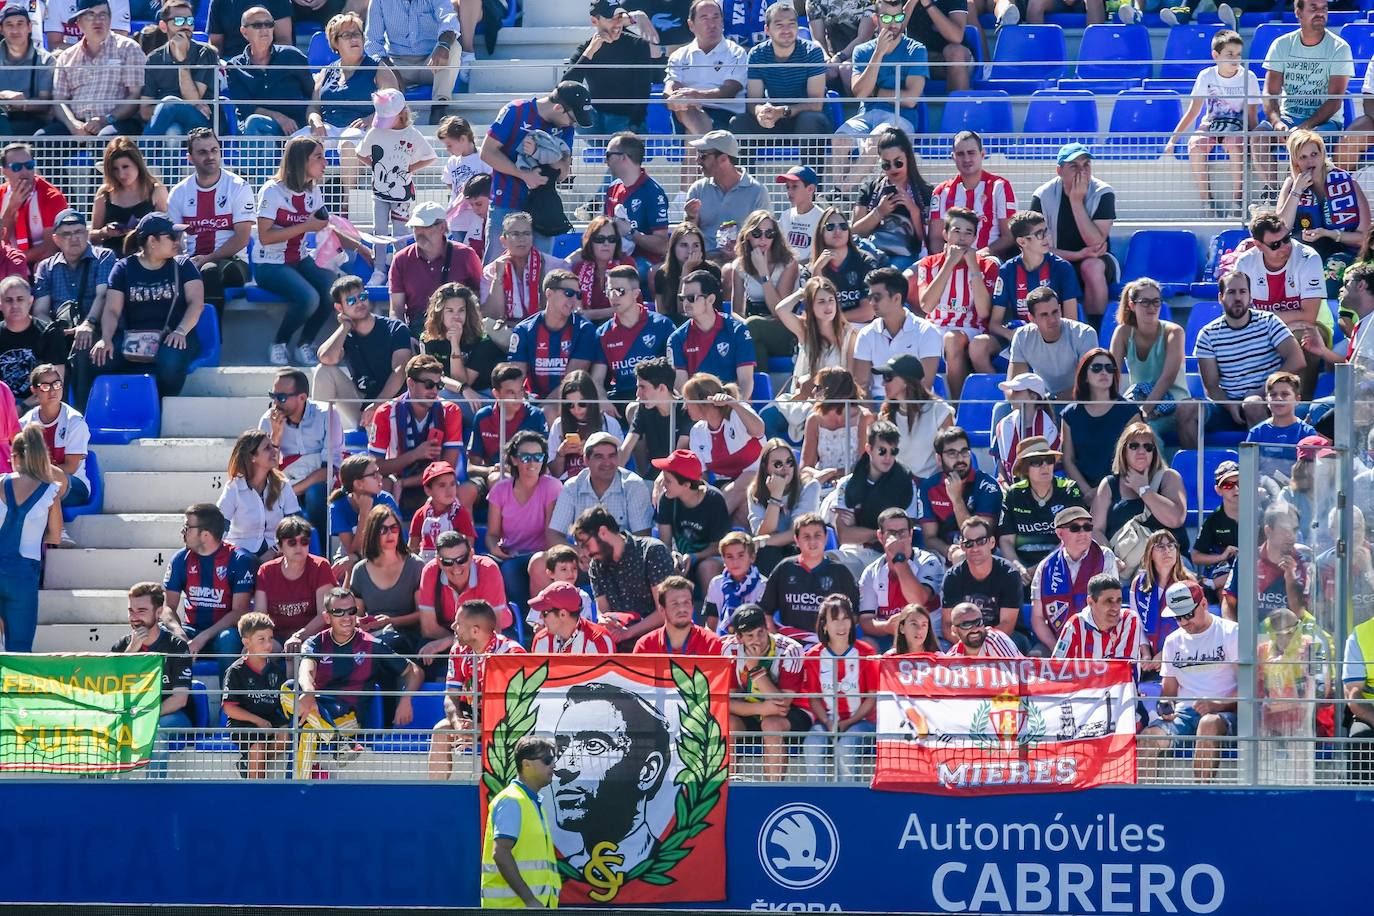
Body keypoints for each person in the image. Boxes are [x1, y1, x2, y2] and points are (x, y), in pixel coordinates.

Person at [287, 587, 422, 778]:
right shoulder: (316, 642)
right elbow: (305, 669)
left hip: (350, 717)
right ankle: (337, 742)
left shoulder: (372, 644)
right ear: (327, 617)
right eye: (338, 612)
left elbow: (415, 671)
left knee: (308, 730)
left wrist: (406, 699)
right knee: (288, 688)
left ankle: (299, 792)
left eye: (351, 611)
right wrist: (308, 691)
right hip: (317, 707)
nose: (346, 617)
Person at [550, 680, 672, 874]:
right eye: (561, 748)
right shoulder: (556, 870)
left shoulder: (673, 863)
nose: (560, 766)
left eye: (593, 746)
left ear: (647, 771)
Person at [81, 212, 203, 399]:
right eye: (172, 237)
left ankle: (161, 404)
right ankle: (95, 412)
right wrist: (105, 339)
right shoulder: (123, 268)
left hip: (175, 335)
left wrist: (181, 331)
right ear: (152, 241)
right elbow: (112, 310)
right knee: (96, 357)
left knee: (171, 357)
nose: (177, 242)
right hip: (135, 340)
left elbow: (196, 303)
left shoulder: (183, 265)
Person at [253, 137, 345, 368]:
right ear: (301, 161)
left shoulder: (314, 191)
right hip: (269, 264)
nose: (325, 162)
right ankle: (279, 343)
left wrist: (363, 248)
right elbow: (264, 237)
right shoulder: (272, 191)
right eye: (318, 157)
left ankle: (305, 343)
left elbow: (327, 226)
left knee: (331, 289)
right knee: (309, 297)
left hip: (300, 258)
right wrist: (306, 226)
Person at [1189, 270, 1306, 448]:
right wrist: (1230, 406)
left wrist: (1260, 392)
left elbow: (1297, 360)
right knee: (1186, 410)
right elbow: (1211, 386)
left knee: (1252, 404)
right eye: (1231, 292)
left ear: (1250, 296)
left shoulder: (1268, 322)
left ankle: (1262, 468)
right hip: (1227, 406)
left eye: (1243, 292)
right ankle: (1194, 470)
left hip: (1267, 401)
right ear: (1221, 297)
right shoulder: (1208, 334)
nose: (1238, 297)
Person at [1139, 580, 1239, 783]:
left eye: (1188, 615)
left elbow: (1249, 687)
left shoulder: (1231, 632)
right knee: (1147, 738)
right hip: (1184, 714)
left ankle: (1200, 801)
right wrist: (1165, 709)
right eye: (1177, 617)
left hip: (1226, 712)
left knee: (1208, 723)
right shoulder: (1173, 641)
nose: (1184, 622)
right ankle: (1148, 807)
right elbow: (1168, 694)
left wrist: (1216, 705)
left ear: (1203, 604)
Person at [479, 83, 582, 264]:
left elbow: (563, 172)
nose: (572, 124)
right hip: (506, 202)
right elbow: (487, 152)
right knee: (495, 268)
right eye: (572, 119)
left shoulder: (566, 128)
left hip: (542, 207)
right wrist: (524, 175)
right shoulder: (516, 111)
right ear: (558, 108)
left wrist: (539, 153)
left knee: (542, 267)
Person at [1232, 211, 1327, 398]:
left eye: (1287, 239)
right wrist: (1277, 325)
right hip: (1269, 327)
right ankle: (1250, 407)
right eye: (1276, 244)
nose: (1285, 247)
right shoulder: (1245, 263)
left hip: (1311, 326)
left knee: (1304, 339)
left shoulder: (1309, 258)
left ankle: (1299, 409)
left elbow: (1308, 315)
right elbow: (1241, 316)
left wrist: (1264, 322)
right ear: (1259, 245)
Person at [1167, 29, 1259, 219]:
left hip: (1236, 127)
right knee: (1195, 144)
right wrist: (1173, 141)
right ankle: (1207, 203)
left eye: (1239, 54)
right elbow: (1193, 112)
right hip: (1212, 125)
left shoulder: (1248, 77)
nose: (1235, 59)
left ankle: (1237, 202)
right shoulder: (1206, 76)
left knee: (1235, 144)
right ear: (1215, 55)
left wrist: (1254, 143)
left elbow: (1251, 118)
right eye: (1229, 54)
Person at [1260, 0, 1352, 186]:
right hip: (1288, 118)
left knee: (1305, 143)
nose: (1320, 13)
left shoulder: (1340, 48)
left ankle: (1296, 193)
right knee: (1258, 136)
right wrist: (1277, 122)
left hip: (1326, 123)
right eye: (1313, 8)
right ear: (1298, 12)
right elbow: (1270, 92)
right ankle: (1273, 194)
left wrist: (1304, 128)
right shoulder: (1281, 45)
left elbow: (1335, 100)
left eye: (1324, 8)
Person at [731, 0, 831, 171]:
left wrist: (783, 111)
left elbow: (816, 103)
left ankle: (812, 189)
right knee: (739, 123)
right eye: (779, 25)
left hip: (803, 117)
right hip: (773, 121)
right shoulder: (757, 54)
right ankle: (744, 188)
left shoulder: (812, 52)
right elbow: (753, 101)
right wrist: (760, 113)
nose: (786, 30)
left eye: (791, 24)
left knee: (810, 120)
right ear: (767, 30)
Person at [912, 205, 998, 398]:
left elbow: (984, 312)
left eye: (968, 233)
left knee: (952, 339)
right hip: (933, 327)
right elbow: (927, 305)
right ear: (945, 233)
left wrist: (973, 266)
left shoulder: (987, 265)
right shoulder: (928, 263)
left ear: (975, 238)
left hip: (970, 329)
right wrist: (949, 263)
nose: (962, 238)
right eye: (956, 231)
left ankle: (958, 407)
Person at [165, 130, 254, 314]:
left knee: (209, 271)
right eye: (202, 152)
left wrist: (207, 258)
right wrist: (183, 262)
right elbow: (173, 240)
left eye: (214, 150)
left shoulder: (238, 186)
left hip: (235, 263)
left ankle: (212, 341)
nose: (211, 156)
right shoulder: (179, 193)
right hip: (193, 262)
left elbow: (242, 238)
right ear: (190, 157)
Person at [1029, 143, 1117, 323]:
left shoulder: (1103, 192)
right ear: (1059, 170)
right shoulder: (1042, 196)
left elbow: (1096, 243)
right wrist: (1076, 255)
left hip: (1098, 258)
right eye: (1074, 166)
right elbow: (1035, 247)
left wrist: (1076, 202)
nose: (1082, 171)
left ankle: (1096, 330)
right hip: (1055, 257)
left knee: (1090, 267)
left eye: (1086, 165)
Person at [358, 90, 438, 287]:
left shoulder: (412, 134)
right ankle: (379, 269)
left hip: (402, 194)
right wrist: (377, 166)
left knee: (400, 232)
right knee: (380, 230)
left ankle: (400, 269)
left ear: (402, 114)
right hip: (379, 192)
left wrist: (410, 168)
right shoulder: (375, 132)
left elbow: (430, 156)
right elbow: (360, 152)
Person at [764, 277, 860, 443]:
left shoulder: (850, 335)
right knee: (767, 417)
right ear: (811, 306)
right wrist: (802, 293)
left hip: (833, 400)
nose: (828, 306)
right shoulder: (805, 330)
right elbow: (781, 309)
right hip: (803, 398)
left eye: (831, 300)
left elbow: (851, 376)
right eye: (821, 301)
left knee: (814, 421)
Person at [368, 353, 464, 517]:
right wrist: (415, 455)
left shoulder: (450, 411)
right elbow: (375, 467)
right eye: (428, 384)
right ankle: (383, 538)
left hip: (434, 480)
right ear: (411, 384)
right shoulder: (385, 412)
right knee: (380, 486)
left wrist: (405, 483)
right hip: (393, 478)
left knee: (446, 487)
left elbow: (448, 469)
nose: (434, 390)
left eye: (438, 385)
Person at [722, 602, 809, 781]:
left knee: (771, 725)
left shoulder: (791, 650)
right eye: (750, 635)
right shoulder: (728, 650)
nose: (758, 640)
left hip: (791, 712)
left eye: (761, 632)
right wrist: (761, 709)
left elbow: (782, 705)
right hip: (754, 709)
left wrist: (756, 671)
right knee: (725, 722)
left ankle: (772, 791)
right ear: (738, 638)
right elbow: (728, 702)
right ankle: (728, 787)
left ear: (767, 627)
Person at [315, 274, 414, 429]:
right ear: (339, 308)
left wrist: (377, 405)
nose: (359, 303)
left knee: (375, 426)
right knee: (323, 371)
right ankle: (319, 436)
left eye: (362, 296)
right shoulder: (344, 335)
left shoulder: (395, 328)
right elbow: (326, 358)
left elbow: (400, 371)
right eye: (351, 301)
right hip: (362, 403)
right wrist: (345, 327)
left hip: (394, 403)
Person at [163, 502, 255, 666]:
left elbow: (239, 611)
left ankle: (228, 691)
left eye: (187, 527)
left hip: (222, 632)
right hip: (190, 630)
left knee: (229, 638)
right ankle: (175, 691)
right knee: (161, 632)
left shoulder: (239, 560)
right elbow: (168, 608)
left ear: (205, 535)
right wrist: (180, 635)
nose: (182, 531)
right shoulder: (180, 559)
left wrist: (203, 637)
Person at [1092, 422, 1191, 572]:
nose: (1141, 451)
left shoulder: (1169, 477)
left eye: (1148, 447)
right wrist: (1111, 559)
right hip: (1123, 567)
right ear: (1123, 450)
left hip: (1169, 563)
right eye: (1134, 446)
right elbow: (1095, 530)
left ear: (1154, 452)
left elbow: (1175, 519)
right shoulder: (1109, 484)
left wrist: (1143, 490)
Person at [573, 505, 674, 647]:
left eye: (586, 544)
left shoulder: (652, 552)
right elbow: (603, 609)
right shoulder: (597, 565)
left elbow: (665, 610)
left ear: (602, 532)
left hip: (657, 643)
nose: (586, 553)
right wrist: (604, 620)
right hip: (618, 642)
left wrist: (628, 632)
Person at [987, 210, 1081, 361]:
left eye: (1046, 231)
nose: (1046, 238)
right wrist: (1011, 334)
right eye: (1039, 234)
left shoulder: (1062, 268)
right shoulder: (1007, 271)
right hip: (1021, 337)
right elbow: (994, 324)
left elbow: (1072, 322)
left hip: (1054, 336)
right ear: (1022, 242)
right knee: (978, 347)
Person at [480, 733, 561, 908]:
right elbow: (500, 854)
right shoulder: (512, 801)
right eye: (547, 760)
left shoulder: (531, 802)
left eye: (553, 760)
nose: (553, 765)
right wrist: (530, 899)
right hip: (514, 908)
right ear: (526, 764)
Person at [259, 368, 342, 537]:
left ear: (302, 398)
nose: (275, 403)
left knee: (315, 494)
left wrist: (291, 491)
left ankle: (323, 556)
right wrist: (276, 436)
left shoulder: (326, 414)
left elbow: (330, 469)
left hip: (319, 483)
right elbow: (265, 468)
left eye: (281, 398)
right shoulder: (268, 420)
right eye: (272, 396)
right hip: (286, 480)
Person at [802, 593, 877, 778]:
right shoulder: (812, 656)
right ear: (824, 625)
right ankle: (818, 802)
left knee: (846, 748)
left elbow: (871, 697)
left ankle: (848, 803)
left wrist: (848, 723)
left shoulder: (866, 653)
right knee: (811, 746)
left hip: (862, 721)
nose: (841, 625)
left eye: (845, 619)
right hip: (826, 720)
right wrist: (828, 723)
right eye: (834, 620)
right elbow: (813, 698)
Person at [0, 426, 61, 650]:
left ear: (14, 456)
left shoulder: (0, 482)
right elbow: (55, 534)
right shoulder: (50, 490)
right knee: (20, 647)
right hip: (23, 575)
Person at [1108, 277, 1191, 443]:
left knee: (1145, 437)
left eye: (1156, 301)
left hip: (1174, 406)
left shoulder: (1174, 332)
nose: (1152, 307)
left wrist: (1143, 412)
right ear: (1132, 305)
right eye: (1145, 302)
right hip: (1140, 402)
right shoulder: (1123, 332)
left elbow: (1167, 378)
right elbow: (1112, 375)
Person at [487, 431, 562, 611]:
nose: (532, 462)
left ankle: (531, 622)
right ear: (514, 460)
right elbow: (492, 534)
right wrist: (494, 548)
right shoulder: (500, 490)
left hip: (544, 555)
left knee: (513, 570)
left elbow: (551, 534)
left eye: (538, 457)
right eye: (525, 457)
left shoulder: (552, 486)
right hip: (510, 554)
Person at [507, 269, 602, 411]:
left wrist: (539, 411)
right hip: (532, 400)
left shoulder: (585, 330)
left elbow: (570, 381)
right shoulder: (524, 330)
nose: (574, 300)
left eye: (578, 295)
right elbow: (516, 379)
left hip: (570, 402)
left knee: (549, 411)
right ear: (549, 294)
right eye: (569, 293)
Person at [1030, 505, 1116, 657]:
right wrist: (1058, 648)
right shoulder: (1045, 567)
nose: (1083, 533)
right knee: (1033, 659)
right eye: (1075, 528)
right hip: (1057, 641)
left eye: (1087, 527)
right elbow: (1037, 618)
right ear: (1059, 533)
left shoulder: (1105, 556)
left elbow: (1112, 605)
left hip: (1099, 639)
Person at [761, 511, 859, 644]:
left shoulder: (840, 572)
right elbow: (766, 611)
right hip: (789, 643)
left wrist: (836, 641)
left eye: (817, 536)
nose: (812, 541)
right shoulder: (784, 569)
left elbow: (854, 615)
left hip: (827, 645)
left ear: (825, 538)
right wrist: (775, 640)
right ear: (796, 540)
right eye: (806, 536)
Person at [49, 0, 143, 138]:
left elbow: (135, 96)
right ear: (79, 23)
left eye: (103, 15)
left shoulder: (129, 49)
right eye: (90, 15)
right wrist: (73, 125)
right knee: (41, 139)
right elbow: (59, 100)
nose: (97, 20)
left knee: (105, 138)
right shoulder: (66, 57)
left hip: (117, 122)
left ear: (110, 20)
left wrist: (106, 119)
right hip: (77, 124)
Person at [566, 1, 662, 135]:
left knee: (616, 135)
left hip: (627, 120)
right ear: (594, 21)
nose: (617, 23)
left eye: (619, 17)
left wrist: (634, 125)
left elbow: (643, 91)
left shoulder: (638, 44)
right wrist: (591, 51)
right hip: (595, 118)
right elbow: (565, 87)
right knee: (567, 107)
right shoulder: (586, 48)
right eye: (611, 18)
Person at [387, 202, 482, 336]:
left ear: (442, 227)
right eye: (416, 227)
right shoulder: (401, 260)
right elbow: (396, 309)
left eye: (425, 226)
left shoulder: (466, 255)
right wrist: (404, 339)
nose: (419, 232)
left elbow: (480, 297)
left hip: (460, 330)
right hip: (419, 331)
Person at [838, 0, 927, 141]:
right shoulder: (862, 51)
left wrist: (876, 92)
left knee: (877, 138)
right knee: (839, 139)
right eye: (886, 18)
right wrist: (878, 53)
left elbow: (910, 100)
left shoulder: (916, 50)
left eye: (898, 17)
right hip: (865, 116)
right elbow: (861, 94)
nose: (893, 24)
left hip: (900, 117)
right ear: (876, 19)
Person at [998, 435, 1085, 579]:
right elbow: (1006, 541)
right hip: (1023, 566)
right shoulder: (1014, 494)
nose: (1045, 466)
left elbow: (1074, 536)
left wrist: (1042, 567)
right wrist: (1017, 568)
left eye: (1049, 461)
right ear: (1025, 469)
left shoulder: (1069, 489)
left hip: (1063, 562)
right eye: (1037, 462)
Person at [415, 531, 508, 664]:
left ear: (471, 555)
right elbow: (428, 628)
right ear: (439, 562)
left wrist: (448, 643)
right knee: (422, 655)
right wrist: (455, 643)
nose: (456, 568)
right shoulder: (430, 571)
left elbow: (493, 630)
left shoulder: (488, 569)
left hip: (494, 635)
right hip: (448, 633)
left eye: (461, 560)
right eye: (447, 562)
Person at [857, 507, 943, 651]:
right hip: (888, 638)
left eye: (902, 532)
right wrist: (886, 627)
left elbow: (917, 600)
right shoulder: (871, 572)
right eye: (891, 533)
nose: (897, 538)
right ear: (880, 536)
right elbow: (866, 620)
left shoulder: (928, 562)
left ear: (910, 534)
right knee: (865, 646)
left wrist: (898, 558)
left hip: (927, 638)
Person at [363, 0, 460, 124]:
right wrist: (392, 71)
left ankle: (439, 108)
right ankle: (390, 117)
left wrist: (443, 45)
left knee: (454, 46)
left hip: (432, 63)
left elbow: (450, 19)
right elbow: (372, 42)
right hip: (397, 64)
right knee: (379, 65)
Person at [548, 432, 654, 545]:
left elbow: (642, 538)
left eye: (612, 456)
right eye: (599, 457)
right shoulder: (572, 487)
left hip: (624, 558)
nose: (607, 462)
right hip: (583, 557)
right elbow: (555, 535)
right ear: (586, 460)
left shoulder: (633, 485)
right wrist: (580, 553)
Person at [724, 209, 799, 369]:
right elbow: (736, 312)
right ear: (748, 235)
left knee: (753, 327)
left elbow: (778, 312)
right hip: (755, 329)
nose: (763, 239)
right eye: (757, 233)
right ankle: (761, 392)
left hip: (786, 329)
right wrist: (747, 329)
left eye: (769, 233)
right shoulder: (739, 265)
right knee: (755, 345)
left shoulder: (788, 263)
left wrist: (764, 274)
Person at [1060, 348, 1143, 493]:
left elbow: (1136, 459)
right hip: (1082, 493)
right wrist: (1087, 492)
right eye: (1097, 368)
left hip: (1122, 491)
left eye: (1109, 368)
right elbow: (1068, 460)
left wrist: (1103, 492)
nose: (1104, 372)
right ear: (1084, 375)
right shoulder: (1070, 415)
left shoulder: (1130, 412)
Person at [917, 425, 1001, 566]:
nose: (960, 459)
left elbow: (978, 536)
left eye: (964, 452)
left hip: (982, 552)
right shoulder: (929, 487)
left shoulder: (988, 486)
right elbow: (929, 537)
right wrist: (949, 550)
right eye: (952, 453)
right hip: (944, 554)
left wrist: (956, 499)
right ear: (939, 459)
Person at [683, 373, 765, 516]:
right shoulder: (697, 431)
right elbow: (701, 476)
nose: (685, 407)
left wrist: (733, 403)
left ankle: (707, 525)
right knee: (742, 510)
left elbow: (759, 430)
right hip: (726, 485)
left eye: (688, 401)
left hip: (762, 479)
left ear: (704, 401)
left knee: (747, 480)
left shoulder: (738, 412)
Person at [347, 504, 426, 653]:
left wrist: (390, 621)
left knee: (386, 645)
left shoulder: (415, 566)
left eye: (394, 528)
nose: (390, 534)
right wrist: (362, 622)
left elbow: (422, 614)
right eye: (383, 530)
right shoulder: (360, 570)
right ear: (373, 534)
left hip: (406, 638)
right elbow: (356, 614)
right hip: (371, 637)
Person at [112, 582, 191, 729]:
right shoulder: (122, 647)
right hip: (131, 714)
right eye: (131, 611)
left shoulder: (177, 646)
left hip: (170, 715)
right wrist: (131, 651)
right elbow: (111, 688)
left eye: (141, 611)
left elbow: (180, 699)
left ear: (159, 612)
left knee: (151, 730)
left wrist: (145, 715)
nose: (134, 617)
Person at [853, 266, 941, 397]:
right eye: (869, 297)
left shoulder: (927, 331)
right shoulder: (866, 334)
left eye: (876, 297)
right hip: (878, 404)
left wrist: (899, 410)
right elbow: (861, 386)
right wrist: (873, 415)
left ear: (896, 298)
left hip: (917, 404)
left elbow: (924, 385)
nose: (871, 303)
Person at [682, 130, 771, 260]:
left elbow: (765, 237)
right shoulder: (698, 189)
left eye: (703, 155)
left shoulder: (757, 192)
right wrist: (691, 217)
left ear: (723, 158)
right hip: (701, 261)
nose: (697, 160)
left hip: (742, 262)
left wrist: (740, 253)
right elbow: (687, 236)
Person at [225, 6, 313, 137]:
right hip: (256, 127)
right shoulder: (234, 66)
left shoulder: (292, 56)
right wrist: (278, 117)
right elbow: (246, 107)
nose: (264, 29)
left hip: (296, 128)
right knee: (256, 124)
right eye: (257, 25)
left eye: (269, 24)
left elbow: (312, 92)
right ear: (244, 32)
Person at [221, 611, 289, 779]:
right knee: (257, 746)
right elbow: (230, 709)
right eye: (261, 639)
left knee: (287, 737)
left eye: (270, 638)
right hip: (243, 724)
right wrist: (258, 721)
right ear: (246, 642)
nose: (268, 644)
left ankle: (247, 763)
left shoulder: (275, 671)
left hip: (270, 721)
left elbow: (283, 703)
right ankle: (255, 792)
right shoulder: (235, 671)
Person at [306, 12, 399, 135]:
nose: (354, 39)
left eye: (356, 34)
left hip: (363, 130)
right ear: (335, 43)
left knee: (349, 140)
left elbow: (394, 102)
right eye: (347, 35)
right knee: (296, 141)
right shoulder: (326, 71)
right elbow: (313, 107)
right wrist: (316, 121)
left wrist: (371, 119)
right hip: (328, 129)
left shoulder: (377, 67)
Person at [663, 0, 747, 135]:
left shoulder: (736, 53)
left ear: (722, 21)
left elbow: (730, 90)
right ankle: (709, 151)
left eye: (716, 17)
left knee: (690, 128)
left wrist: (695, 96)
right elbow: (671, 86)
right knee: (686, 109)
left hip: (725, 114)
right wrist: (672, 98)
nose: (712, 24)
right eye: (704, 18)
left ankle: (704, 151)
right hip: (687, 110)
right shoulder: (679, 55)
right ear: (691, 25)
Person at [852, 127, 931, 271]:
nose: (893, 168)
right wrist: (878, 213)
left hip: (907, 255)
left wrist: (913, 211)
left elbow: (927, 242)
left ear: (908, 157)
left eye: (898, 162)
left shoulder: (925, 192)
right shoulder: (869, 188)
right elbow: (854, 233)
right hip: (872, 253)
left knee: (891, 275)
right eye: (886, 164)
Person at [929, 131, 1016, 260]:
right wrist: (948, 260)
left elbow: (1009, 236)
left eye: (971, 153)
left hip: (988, 260)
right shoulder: (941, 192)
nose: (966, 159)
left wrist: (978, 256)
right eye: (960, 154)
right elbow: (935, 238)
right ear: (953, 157)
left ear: (982, 154)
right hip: (950, 261)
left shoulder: (1000, 186)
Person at [217, 429, 301, 563]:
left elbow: (295, 526)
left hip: (277, 555)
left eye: (272, 446)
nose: (274, 451)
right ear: (252, 457)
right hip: (239, 558)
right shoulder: (234, 488)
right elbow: (219, 527)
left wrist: (274, 551)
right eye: (267, 448)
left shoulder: (283, 485)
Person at [653, 447, 730, 593]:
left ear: (687, 485)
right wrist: (673, 556)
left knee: (707, 567)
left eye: (668, 481)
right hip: (682, 559)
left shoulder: (714, 500)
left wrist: (695, 557)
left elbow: (719, 546)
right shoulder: (666, 499)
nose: (663, 485)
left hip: (711, 558)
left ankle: (712, 614)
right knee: (661, 565)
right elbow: (665, 543)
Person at [139, 1, 220, 138]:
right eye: (179, 21)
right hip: (166, 123)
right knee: (172, 130)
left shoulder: (206, 53)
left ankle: (140, 157)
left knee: (170, 102)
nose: (186, 26)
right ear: (164, 26)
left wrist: (182, 62)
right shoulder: (154, 59)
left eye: (189, 21)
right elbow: (145, 111)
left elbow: (192, 99)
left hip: (201, 125)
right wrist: (166, 108)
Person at [597, 265, 675, 406]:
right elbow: (597, 378)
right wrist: (602, 400)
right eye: (609, 291)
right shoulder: (603, 333)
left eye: (620, 291)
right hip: (621, 398)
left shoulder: (662, 325)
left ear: (635, 293)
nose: (614, 297)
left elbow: (675, 370)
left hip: (657, 397)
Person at [421, 281, 505, 412]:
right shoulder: (429, 340)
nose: (456, 316)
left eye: (461, 310)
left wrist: (455, 344)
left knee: (442, 400)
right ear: (440, 312)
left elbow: (462, 379)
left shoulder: (482, 341)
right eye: (450, 311)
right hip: (458, 392)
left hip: (483, 397)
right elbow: (433, 376)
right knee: (434, 398)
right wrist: (462, 388)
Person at [254, 516, 334, 651]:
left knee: (296, 651)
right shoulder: (266, 571)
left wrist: (298, 637)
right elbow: (260, 615)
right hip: (276, 636)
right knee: (252, 651)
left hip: (312, 637)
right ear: (279, 546)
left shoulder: (321, 566)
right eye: (292, 543)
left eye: (304, 542)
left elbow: (323, 614)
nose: (299, 547)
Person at [941, 516, 1022, 649]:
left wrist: (982, 648)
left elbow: (1007, 625)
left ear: (992, 542)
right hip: (965, 640)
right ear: (962, 546)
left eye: (981, 541)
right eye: (969, 543)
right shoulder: (953, 576)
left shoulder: (1009, 574)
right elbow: (947, 625)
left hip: (1006, 637)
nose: (975, 548)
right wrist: (970, 645)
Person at [480, 212, 569, 333]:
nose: (522, 239)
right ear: (503, 240)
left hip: (545, 330)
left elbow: (565, 308)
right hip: (508, 332)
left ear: (532, 238)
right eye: (515, 234)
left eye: (527, 234)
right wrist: (498, 278)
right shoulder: (491, 270)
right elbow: (491, 315)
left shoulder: (555, 266)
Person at [1222, 503, 1310, 624]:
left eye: (1294, 530)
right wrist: (1232, 633)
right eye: (1284, 530)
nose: (1291, 536)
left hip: (1286, 640)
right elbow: (1229, 602)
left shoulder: (1300, 563)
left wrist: (1290, 578)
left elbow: (1299, 614)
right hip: (1248, 640)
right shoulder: (1247, 559)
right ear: (1268, 531)